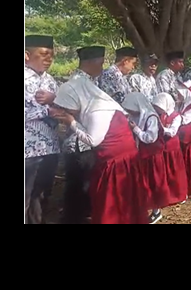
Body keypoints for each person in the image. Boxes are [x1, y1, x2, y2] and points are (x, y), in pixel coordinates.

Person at [52, 78, 150, 225]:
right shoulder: (93, 105)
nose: (67, 112)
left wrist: (71, 122)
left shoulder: (98, 110)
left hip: (117, 161)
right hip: (112, 157)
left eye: (67, 108)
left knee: (114, 200)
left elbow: (93, 140)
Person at [61, 46, 105, 225]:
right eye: (101, 63)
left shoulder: (91, 82)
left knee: (86, 185)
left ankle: (83, 216)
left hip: (89, 140)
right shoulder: (76, 83)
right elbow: (69, 111)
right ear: (90, 63)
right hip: (78, 143)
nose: (102, 67)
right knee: (76, 186)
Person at [24, 35, 60, 224]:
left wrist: (54, 101)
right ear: (26, 55)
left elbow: (63, 107)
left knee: (42, 194)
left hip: (50, 146)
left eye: (51, 55)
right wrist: (47, 110)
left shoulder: (51, 81)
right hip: (28, 150)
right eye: (44, 54)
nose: (49, 59)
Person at [123, 92, 166, 225]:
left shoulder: (151, 117)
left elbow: (150, 138)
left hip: (151, 157)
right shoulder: (136, 116)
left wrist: (135, 129)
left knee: (152, 183)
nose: (130, 112)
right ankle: (142, 208)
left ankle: (156, 211)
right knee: (142, 184)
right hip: (142, 156)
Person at [151, 93, 189, 206]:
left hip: (172, 149)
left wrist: (160, 128)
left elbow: (172, 132)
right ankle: (167, 195)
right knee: (165, 173)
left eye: (158, 106)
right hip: (162, 149)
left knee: (175, 173)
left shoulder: (176, 116)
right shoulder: (161, 115)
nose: (157, 109)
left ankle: (179, 194)